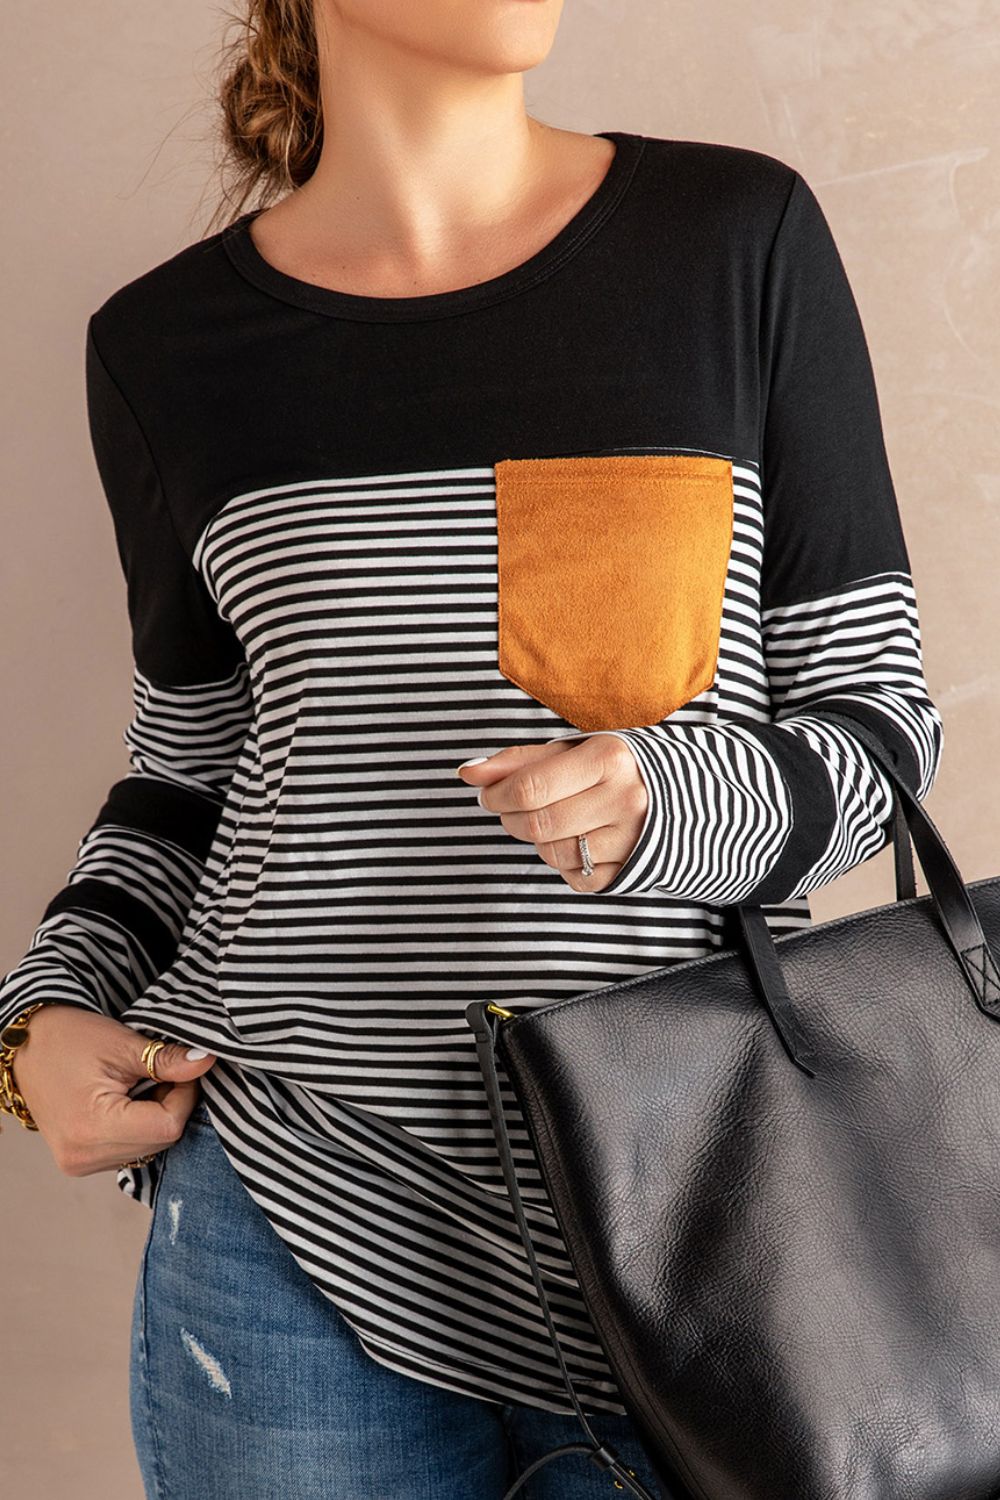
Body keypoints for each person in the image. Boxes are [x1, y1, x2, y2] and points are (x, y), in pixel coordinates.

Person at [0, 1, 944, 1497]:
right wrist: (40, 1020)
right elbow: (185, 770)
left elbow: (884, 729)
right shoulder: (162, 348)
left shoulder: (732, 237)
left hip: (705, 1225)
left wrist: (677, 796)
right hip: (286, 1217)